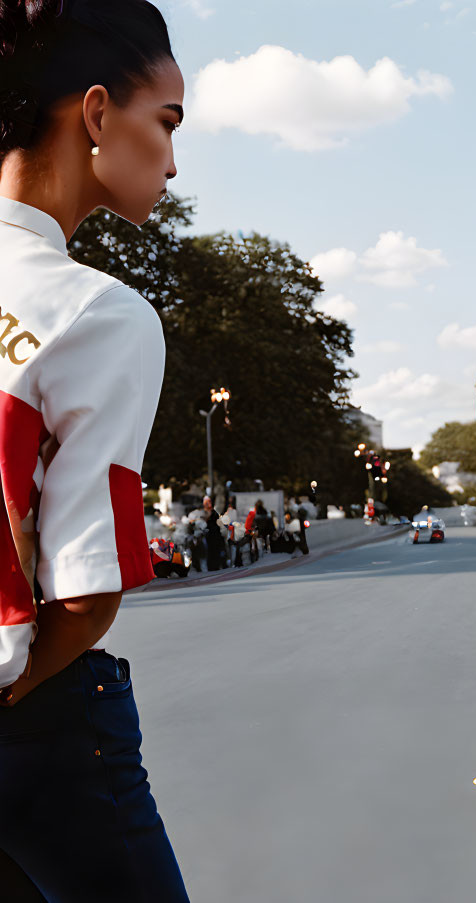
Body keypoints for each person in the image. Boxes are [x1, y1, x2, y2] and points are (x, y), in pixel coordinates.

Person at [0, 1, 189, 897]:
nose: (175, 160)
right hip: (35, 723)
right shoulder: (100, 313)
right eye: (168, 122)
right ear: (98, 112)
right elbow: (85, 592)